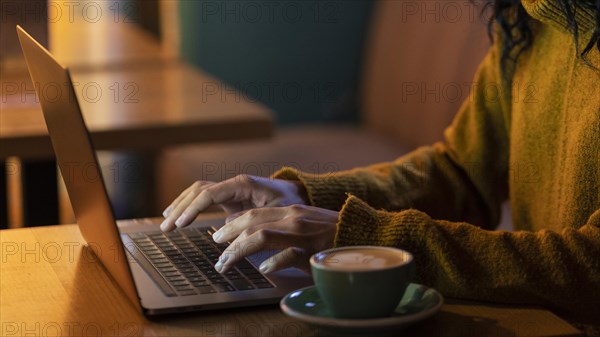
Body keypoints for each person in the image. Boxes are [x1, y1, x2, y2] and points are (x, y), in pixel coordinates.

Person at [161, 0, 600, 332]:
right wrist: (305, 198)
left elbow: (590, 267)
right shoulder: (529, 24)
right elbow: (460, 172)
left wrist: (367, 239)